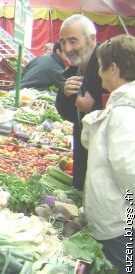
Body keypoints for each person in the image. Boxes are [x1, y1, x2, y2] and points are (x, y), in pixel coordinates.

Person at [81, 34, 135, 274]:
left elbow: (129, 168)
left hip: (120, 219)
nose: (98, 73)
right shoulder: (120, 109)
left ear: (114, 69)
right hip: (118, 218)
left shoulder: (125, 114)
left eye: (100, 67)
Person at [55, 14, 106, 190]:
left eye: (73, 41)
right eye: (63, 42)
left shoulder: (106, 67)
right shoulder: (76, 70)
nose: (67, 48)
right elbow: (70, 115)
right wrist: (64, 93)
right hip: (84, 158)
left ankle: (131, 218)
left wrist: (93, 109)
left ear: (91, 40)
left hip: (105, 169)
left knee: (128, 211)